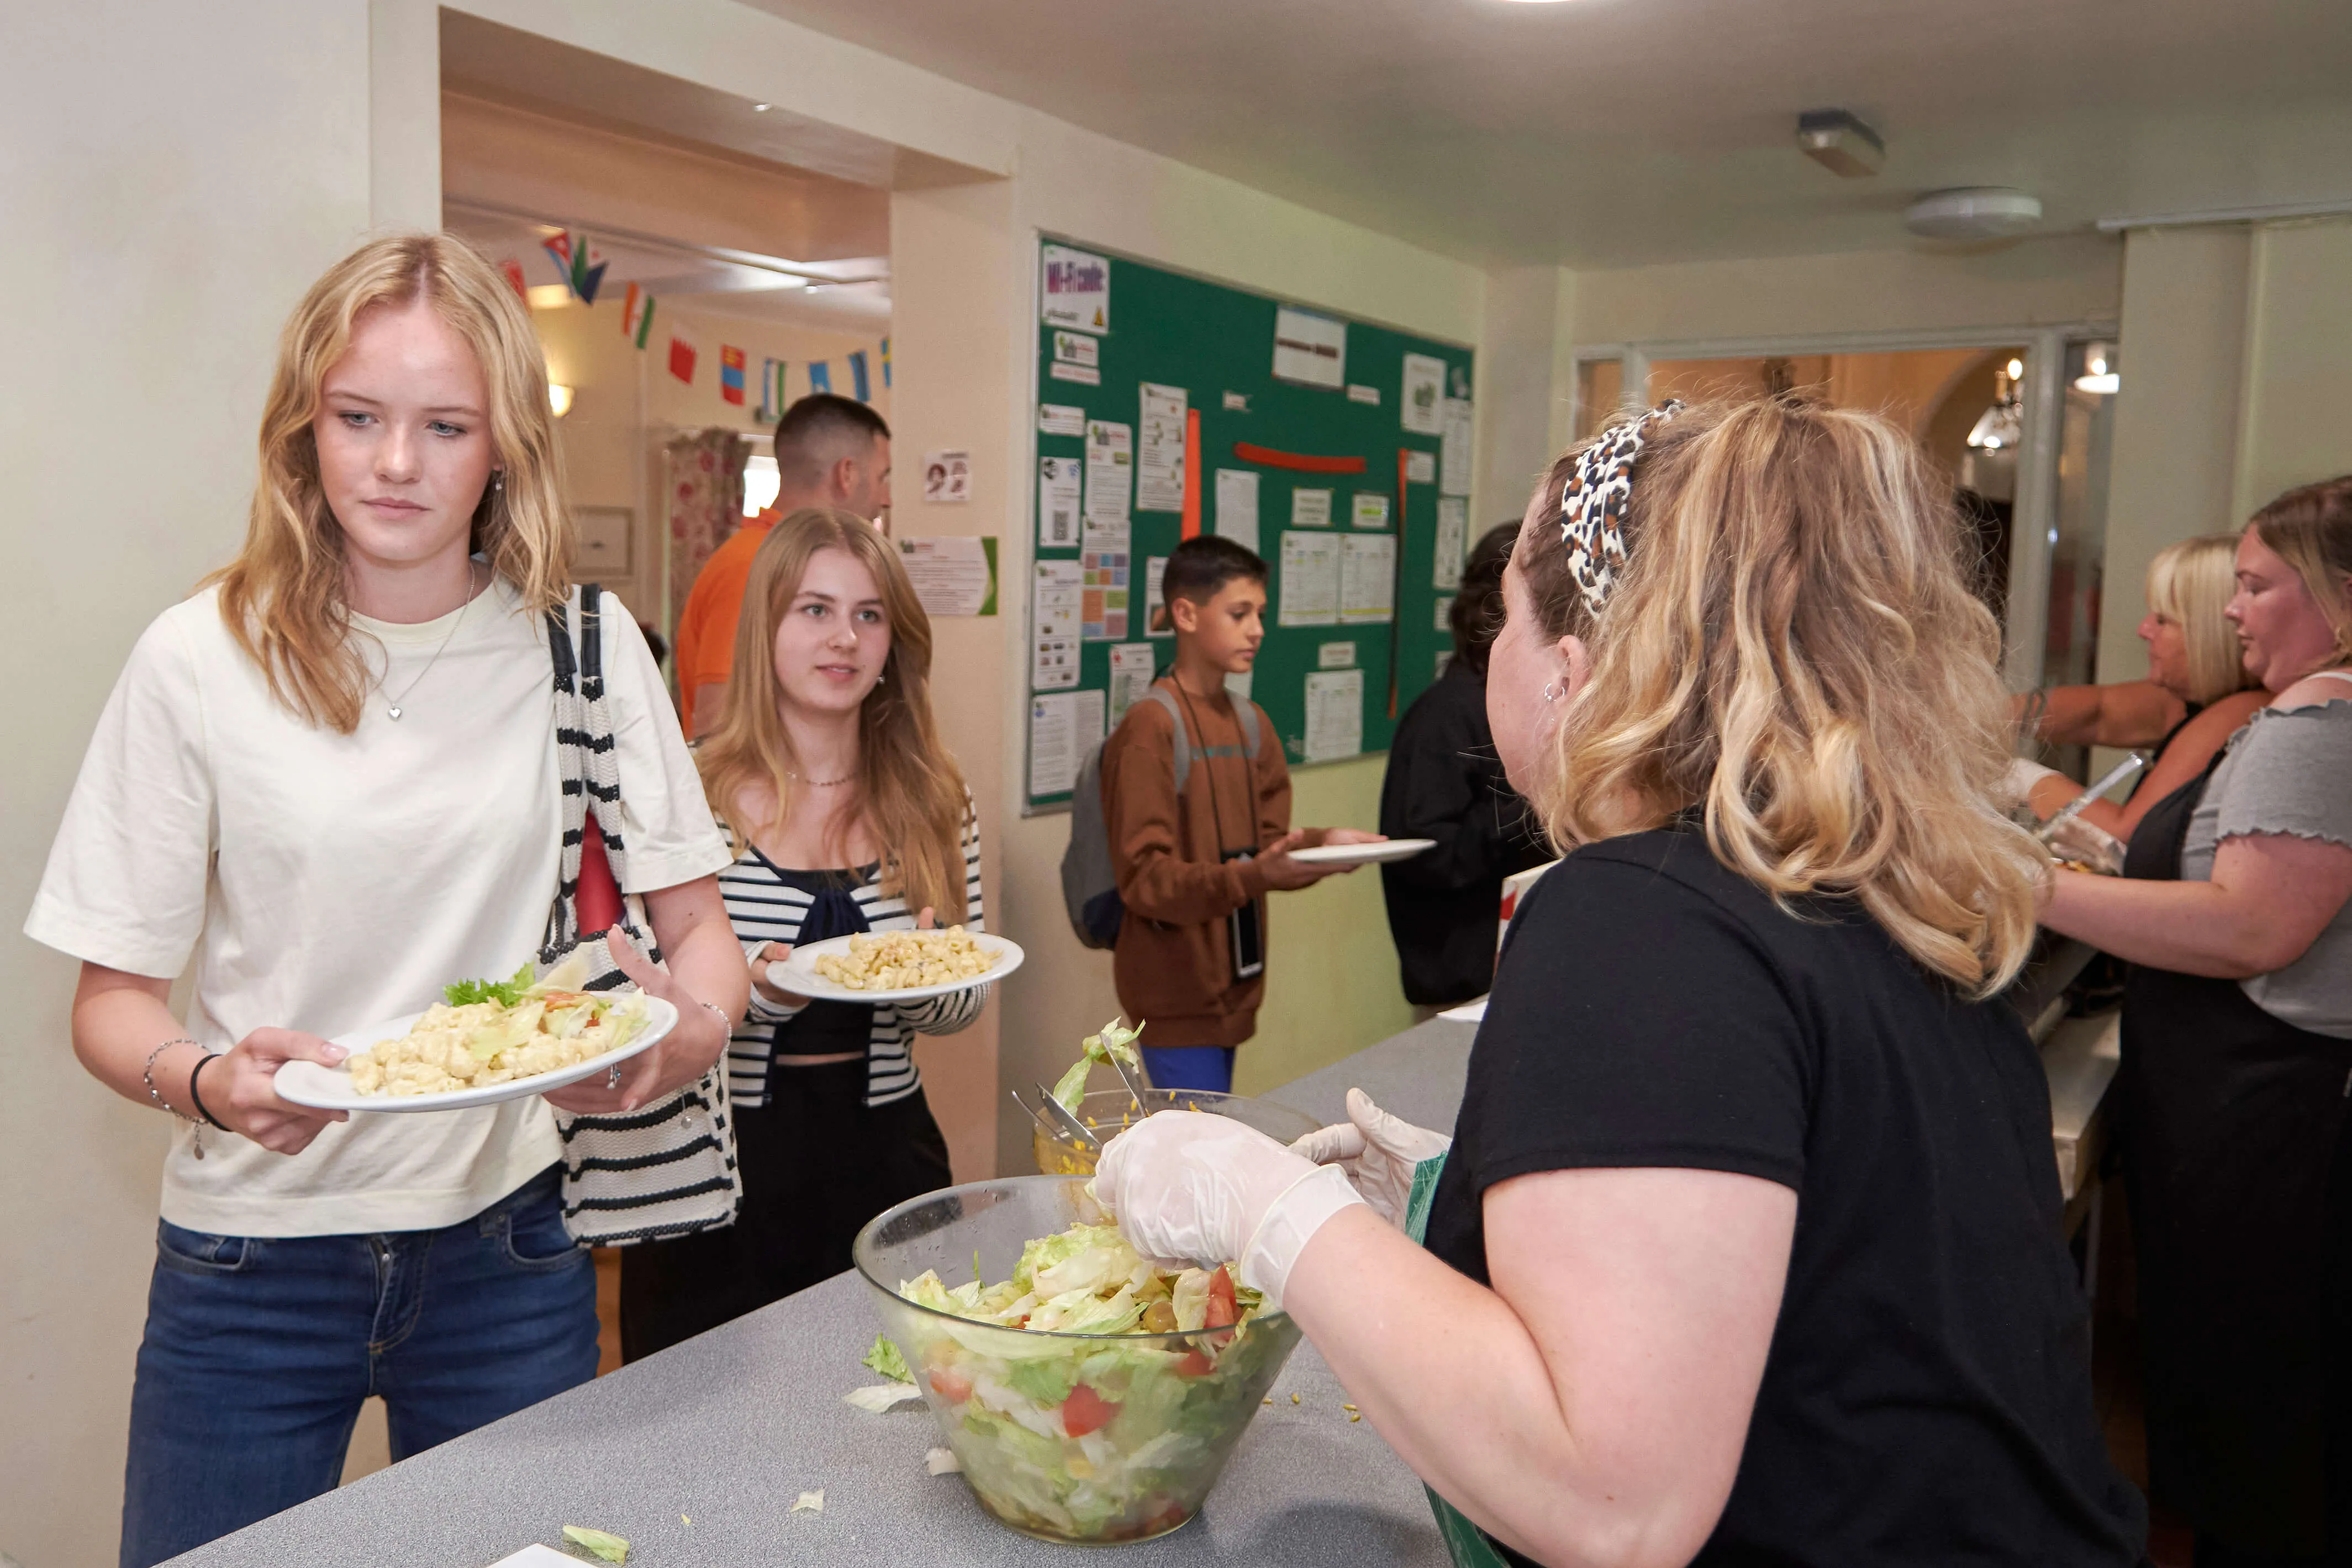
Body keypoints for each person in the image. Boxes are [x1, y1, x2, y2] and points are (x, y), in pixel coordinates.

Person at [1097, 399, 2147, 1567]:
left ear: (1570, 667)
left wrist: (1267, 1211)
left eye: (1504, 620)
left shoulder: (1636, 914)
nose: (1490, 652)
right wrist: (1460, 1223)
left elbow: (1609, 1502)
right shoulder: (1888, 889)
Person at [22, 234, 748, 1567]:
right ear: (305, 429)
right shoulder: (200, 656)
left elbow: (705, 942)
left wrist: (676, 1040)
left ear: (505, 446)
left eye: (444, 425)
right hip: (250, 1261)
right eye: (359, 418)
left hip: (510, 1248)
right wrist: (206, 1075)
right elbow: (111, 1004)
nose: (397, 463)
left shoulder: (583, 645)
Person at [2040, 479, 2352, 1565]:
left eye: (2257, 585)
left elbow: (2247, 929)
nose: (2232, 609)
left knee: (2259, 1423)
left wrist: (2017, 888)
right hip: (2235, 1110)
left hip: (2274, 1116)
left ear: (2335, 596)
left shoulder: (2322, 717)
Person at [618, 507, 984, 1360]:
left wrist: (931, 983)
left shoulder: (935, 797)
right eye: (813, 609)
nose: (844, 639)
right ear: (766, 627)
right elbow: (647, 1002)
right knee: (699, 1432)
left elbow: (963, 993)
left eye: (868, 614)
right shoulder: (691, 789)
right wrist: (762, 990)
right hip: (717, 1161)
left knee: (901, 1405)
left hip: (886, 1154)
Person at [1098, 535, 1380, 1091]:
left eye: (1261, 614)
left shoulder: (1252, 725)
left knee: (1216, 1141)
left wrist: (1327, 845)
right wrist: (1256, 873)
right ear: (1184, 613)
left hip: (1236, 988)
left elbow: (1265, 849)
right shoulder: (1150, 728)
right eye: (1239, 613)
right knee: (1199, 1157)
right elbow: (1145, 880)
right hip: (1173, 997)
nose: (1257, 629)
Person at [1379, 522, 1548, 1016]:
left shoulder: (1517, 707)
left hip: (1516, 969)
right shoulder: (1445, 715)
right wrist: (1537, 801)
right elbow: (1429, 854)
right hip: (1462, 986)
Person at [2012, 532, 2266, 842]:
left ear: (2212, 634)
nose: (2143, 630)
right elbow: (2099, 713)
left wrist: (2017, 777)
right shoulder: (2193, 701)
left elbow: (2126, 833)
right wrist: (1974, 716)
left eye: (2163, 620)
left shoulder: (2239, 711)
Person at [672, 394, 892, 736]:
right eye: (883, 478)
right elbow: (718, 726)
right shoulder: (753, 563)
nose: (886, 499)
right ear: (847, 474)